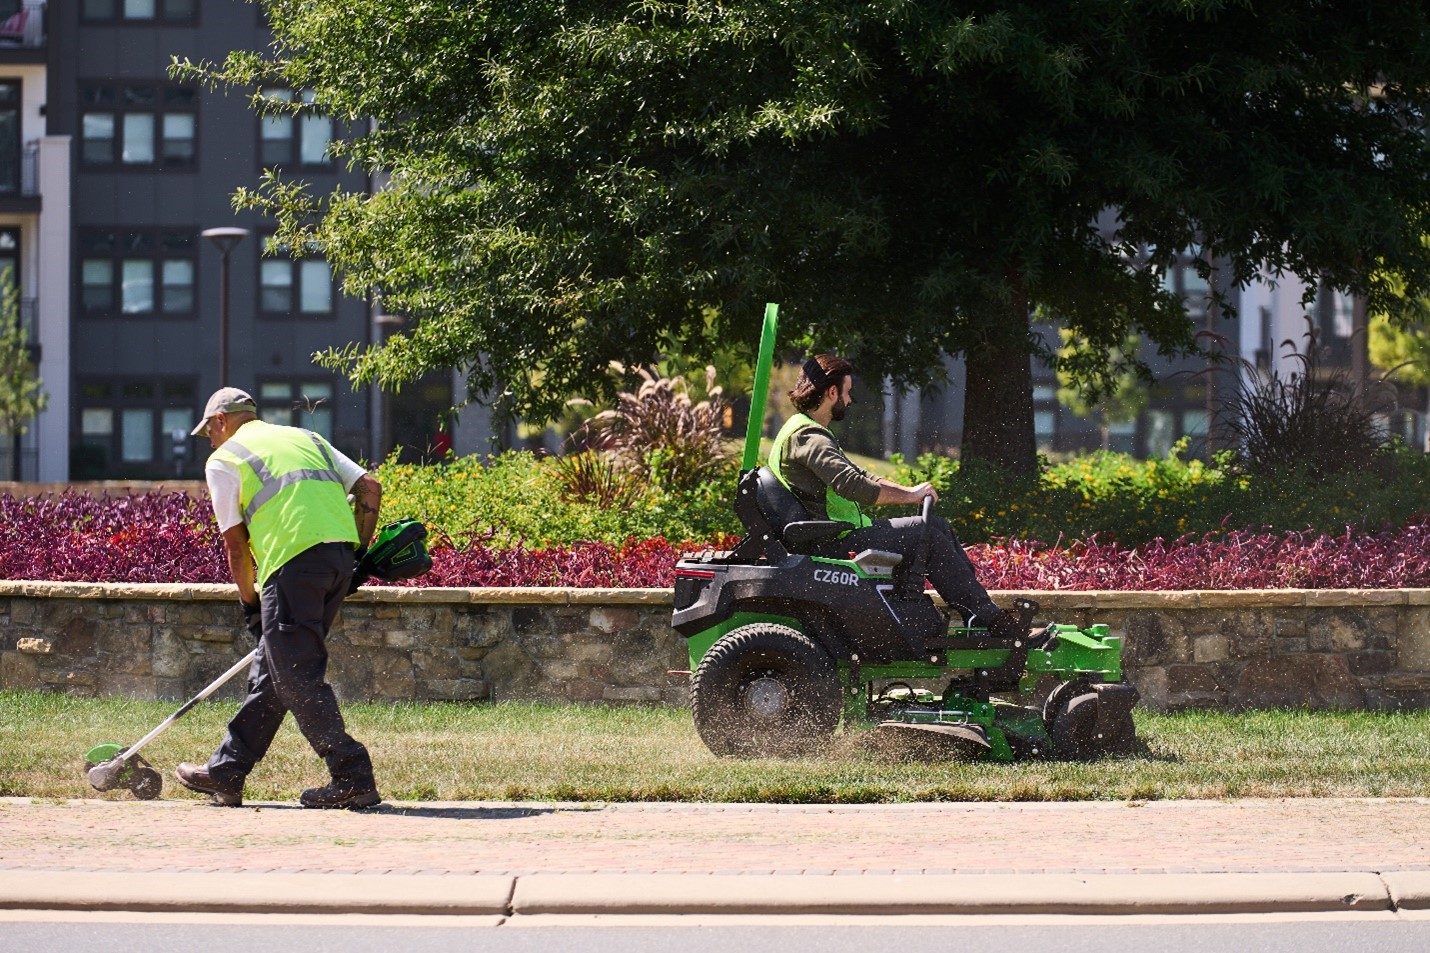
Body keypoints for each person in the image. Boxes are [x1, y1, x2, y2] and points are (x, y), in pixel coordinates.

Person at [175, 387, 383, 809]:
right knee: (276, 671)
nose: (210, 441)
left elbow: (236, 546)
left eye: (209, 432)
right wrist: (356, 551)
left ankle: (352, 774)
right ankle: (227, 773)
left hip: (291, 566)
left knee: (294, 676)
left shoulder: (224, 459)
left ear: (219, 421)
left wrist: (250, 602)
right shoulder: (305, 438)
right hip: (337, 559)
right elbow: (370, 488)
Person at [770, 355, 1031, 641]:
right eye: (847, 392)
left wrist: (913, 491)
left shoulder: (803, 430)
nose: (850, 399)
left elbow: (861, 475)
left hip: (836, 537)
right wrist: (910, 496)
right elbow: (853, 485)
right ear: (832, 392)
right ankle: (991, 620)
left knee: (936, 526)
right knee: (926, 532)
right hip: (831, 546)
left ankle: (978, 615)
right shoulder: (809, 435)